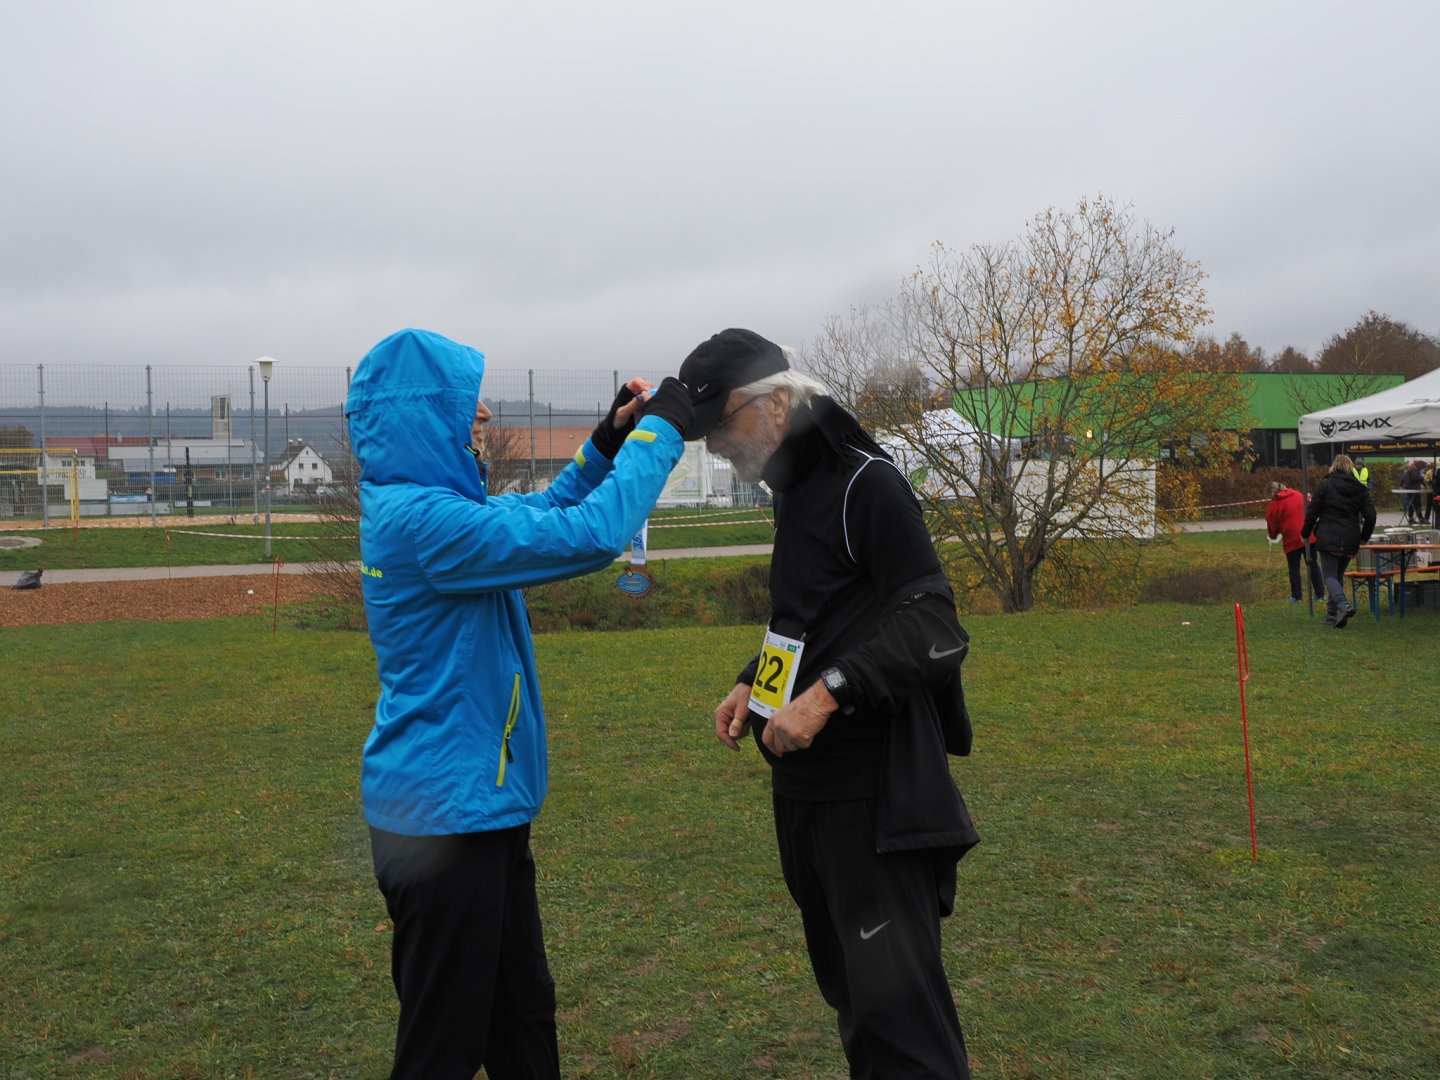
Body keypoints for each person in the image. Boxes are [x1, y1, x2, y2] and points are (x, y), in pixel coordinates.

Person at [344, 328, 694, 1079]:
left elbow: (547, 508)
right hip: (445, 823)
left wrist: (607, 440)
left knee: (523, 1018)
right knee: (443, 1048)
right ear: (421, 417)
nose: (484, 414)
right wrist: (664, 430)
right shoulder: (427, 522)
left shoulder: (430, 508)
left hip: (476, 809)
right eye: (465, 405)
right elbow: (591, 534)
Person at [686, 328, 980, 1078]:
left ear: (777, 403)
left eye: (721, 422)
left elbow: (933, 624)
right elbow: (815, 612)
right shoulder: (794, 492)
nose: (714, 444)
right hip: (807, 799)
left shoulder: (864, 483)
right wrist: (756, 679)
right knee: (858, 1010)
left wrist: (824, 697)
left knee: (904, 1033)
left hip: (875, 802)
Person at [1302, 453, 1377, 629]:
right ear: (1351, 468)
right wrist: (1364, 537)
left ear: (1334, 466)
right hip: (1351, 538)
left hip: (1328, 535)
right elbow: (1371, 516)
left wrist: (1305, 532)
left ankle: (1343, 605)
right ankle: (1332, 615)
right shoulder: (1360, 488)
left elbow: (1313, 511)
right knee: (1337, 576)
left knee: (1328, 576)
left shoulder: (1326, 484)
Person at [1265, 480, 1323, 603]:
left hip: (1292, 538)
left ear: (1271, 493)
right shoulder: (1298, 494)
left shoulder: (1274, 504)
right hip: (1309, 535)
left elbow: (1272, 523)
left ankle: (1297, 596)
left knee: (1294, 567)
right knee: (1313, 564)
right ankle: (1320, 594)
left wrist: (1272, 535)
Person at [1398, 459, 1424, 524]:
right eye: (1422, 467)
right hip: (1413, 489)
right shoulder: (1413, 470)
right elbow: (1414, 478)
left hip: (1412, 489)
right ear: (1419, 466)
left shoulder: (1413, 470)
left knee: (1412, 504)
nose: (1422, 469)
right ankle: (1420, 518)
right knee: (1417, 504)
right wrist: (1421, 477)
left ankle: (1411, 518)